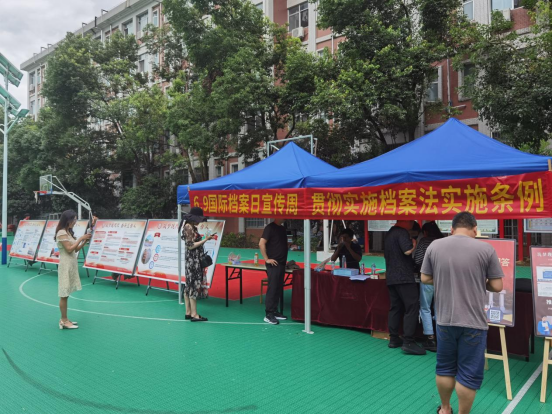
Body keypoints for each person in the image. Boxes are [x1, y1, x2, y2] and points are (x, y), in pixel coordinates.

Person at [421, 212, 504, 414]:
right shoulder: (486, 249)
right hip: (473, 322)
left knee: (444, 368)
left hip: (444, 320)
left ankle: (445, 408)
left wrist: (444, 280)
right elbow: (497, 285)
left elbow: (424, 278)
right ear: (475, 229)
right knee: (468, 374)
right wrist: (478, 282)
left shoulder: (435, 246)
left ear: (451, 229)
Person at [384, 220, 425, 355]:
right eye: (411, 221)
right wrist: (414, 243)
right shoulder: (402, 232)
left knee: (395, 307)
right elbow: (407, 251)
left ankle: (394, 338)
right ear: (405, 221)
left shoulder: (389, 233)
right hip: (404, 276)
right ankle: (408, 341)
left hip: (391, 276)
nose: (412, 224)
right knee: (412, 307)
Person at [55, 210, 92, 330]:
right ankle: (63, 320)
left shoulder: (67, 232)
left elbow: (75, 250)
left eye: (75, 219)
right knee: (64, 294)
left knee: (66, 294)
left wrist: (84, 241)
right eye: (73, 219)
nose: (75, 222)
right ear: (67, 220)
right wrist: (81, 238)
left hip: (71, 264)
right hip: (65, 265)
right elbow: (69, 249)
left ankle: (65, 319)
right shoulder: (61, 233)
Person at [413, 221, 444, 352]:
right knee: (439, 308)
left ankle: (430, 338)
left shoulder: (424, 241)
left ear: (425, 232)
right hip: (442, 279)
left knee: (425, 308)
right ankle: (441, 337)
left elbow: (418, 260)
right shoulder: (443, 241)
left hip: (427, 278)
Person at [181, 207, 214, 322]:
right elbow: (190, 245)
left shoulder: (189, 226)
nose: (200, 222)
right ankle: (194, 314)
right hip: (193, 261)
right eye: (199, 219)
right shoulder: (189, 227)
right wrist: (205, 239)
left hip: (191, 260)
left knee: (188, 285)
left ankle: (188, 312)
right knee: (194, 286)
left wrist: (205, 239)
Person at [259, 218, 288, 325]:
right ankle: (269, 314)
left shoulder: (282, 229)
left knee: (278, 288)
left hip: (281, 263)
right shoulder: (270, 228)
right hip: (273, 264)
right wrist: (267, 259)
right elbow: (261, 243)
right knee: (273, 288)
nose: (285, 216)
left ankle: (274, 311)